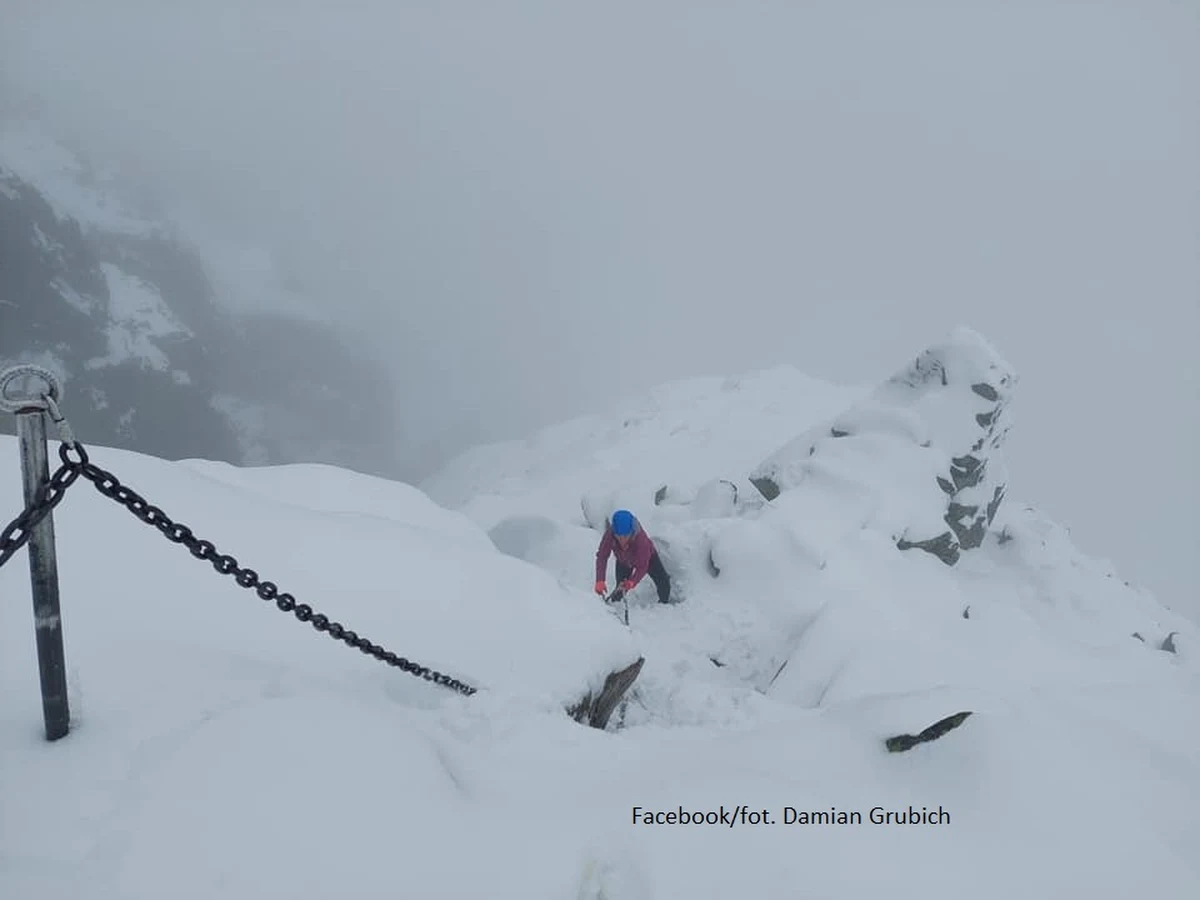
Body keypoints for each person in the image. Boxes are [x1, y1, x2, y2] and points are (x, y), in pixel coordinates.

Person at [594, 509, 673, 604]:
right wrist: (600, 580)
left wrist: (632, 581)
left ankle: (664, 604)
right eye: (619, 536)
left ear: (631, 531)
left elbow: (642, 567)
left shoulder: (641, 541)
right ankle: (613, 608)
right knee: (620, 587)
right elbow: (602, 556)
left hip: (648, 558)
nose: (622, 540)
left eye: (625, 536)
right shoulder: (610, 534)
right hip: (623, 560)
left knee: (663, 582)